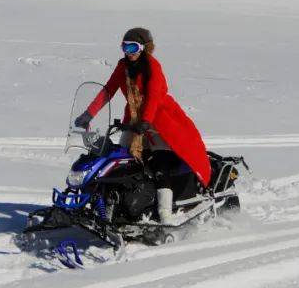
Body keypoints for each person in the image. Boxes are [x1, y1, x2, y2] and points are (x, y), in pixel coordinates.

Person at [74, 27, 211, 223]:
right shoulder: (123, 67)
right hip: (135, 122)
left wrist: (146, 121)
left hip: (159, 121)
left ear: (143, 48)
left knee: (159, 165)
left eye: (132, 47)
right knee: (120, 160)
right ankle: (119, 204)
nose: (128, 53)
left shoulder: (152, 66)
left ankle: (165, 216)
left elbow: (154, 97)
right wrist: (88, 114)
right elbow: (108, 91)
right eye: (124, 47)